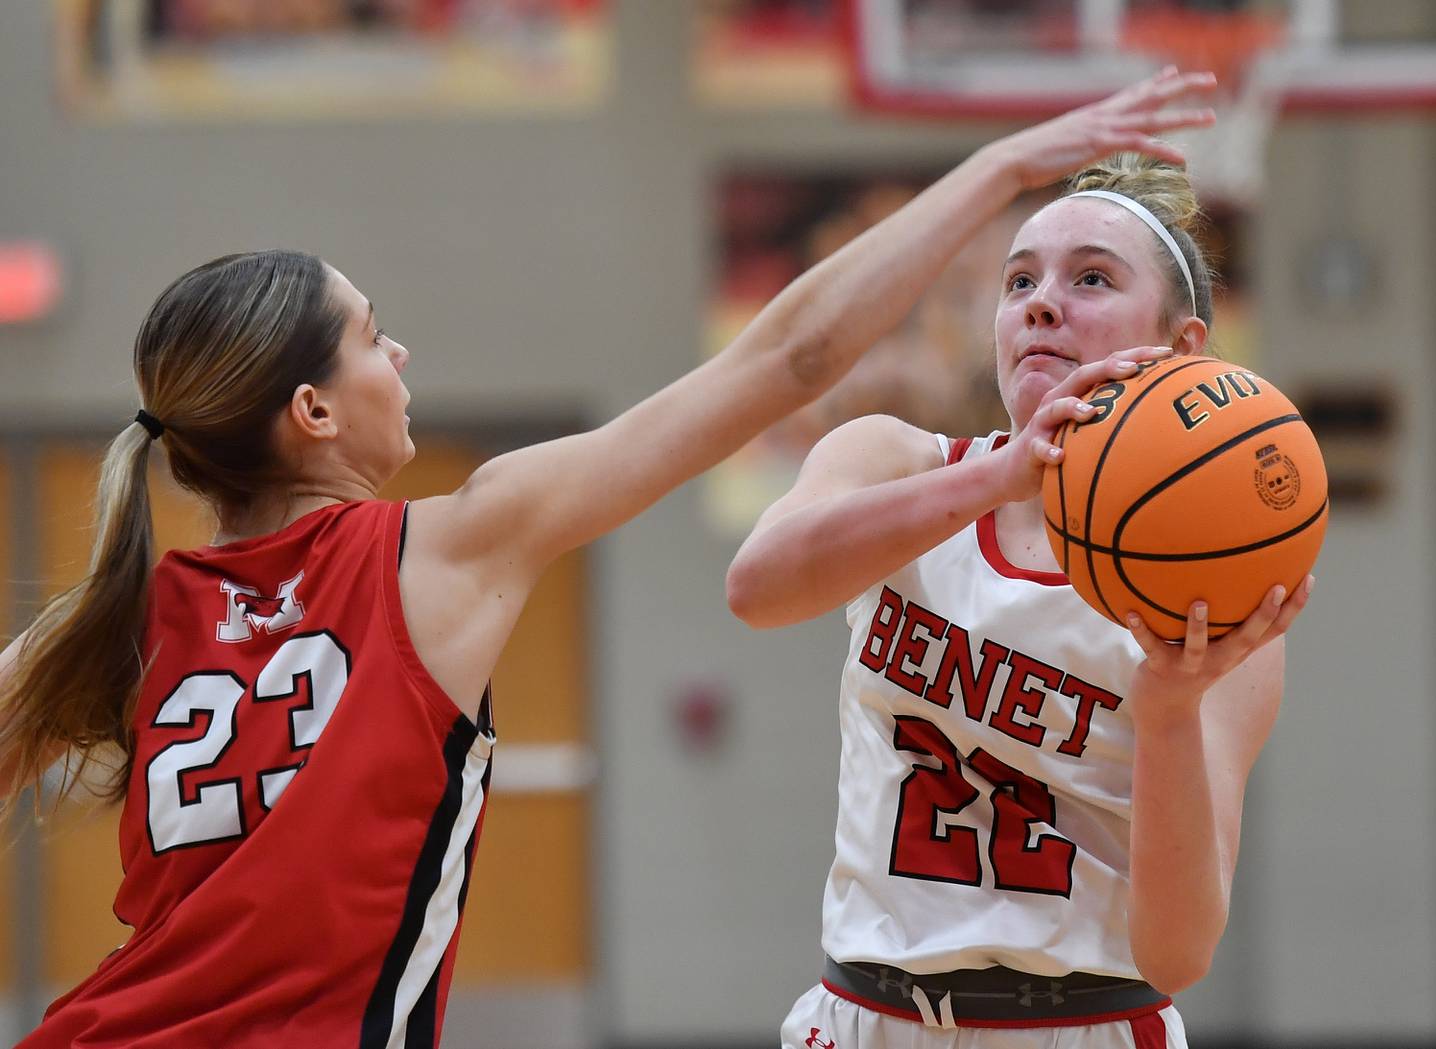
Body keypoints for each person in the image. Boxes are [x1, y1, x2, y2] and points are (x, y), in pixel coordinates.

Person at [0, 70, 1215, 1049]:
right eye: (374, 338)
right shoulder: (447, 541)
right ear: (314, 412)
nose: (402, 353)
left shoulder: (130, 615)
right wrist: (1001, 164)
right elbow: (783, 365)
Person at [727, 71, 1311, 1049]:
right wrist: (997, 478)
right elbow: (757, 587)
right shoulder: (889, 458)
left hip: (1084, 1020)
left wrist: (1165, 711)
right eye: (1019, 279)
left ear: (1183, 346)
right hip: (866, 1012)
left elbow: (1178, 953)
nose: (1043, 303)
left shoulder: (1214, 592)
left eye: (1090, 278)